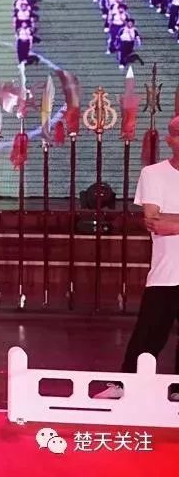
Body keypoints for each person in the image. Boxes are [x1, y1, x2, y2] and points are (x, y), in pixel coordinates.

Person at [95, 116, 179, 402]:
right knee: (149, 333)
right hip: (166, 272)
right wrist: (163, 221)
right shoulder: (153, 174)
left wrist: (171, 221)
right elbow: (154, 221)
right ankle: (125, 384)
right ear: (169, 140)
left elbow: (164, 221)